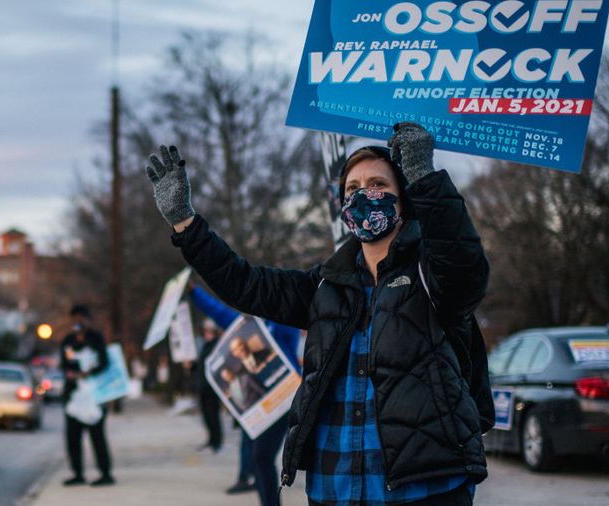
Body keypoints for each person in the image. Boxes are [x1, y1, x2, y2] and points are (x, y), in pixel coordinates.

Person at [145, 123, 494, 506]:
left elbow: (465, 266)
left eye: (379, 184)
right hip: (334, 488)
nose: (365, 194)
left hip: (423, 488)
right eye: (353, 188)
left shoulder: (433, 276)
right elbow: (245, 284)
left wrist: (424, 176)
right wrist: (185, 223)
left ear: (404, 199)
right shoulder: (325, 287)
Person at [189, 283, 302, 506]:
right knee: (259, 458)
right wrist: (194, 293)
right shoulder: (252, 326)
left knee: (262, 457)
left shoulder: (283, 324)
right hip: (257, 403)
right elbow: (220, 314)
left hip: (283, 399)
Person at [59, 304, 115, 487]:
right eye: (74, 319)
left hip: (94, 395)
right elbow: (63, 364)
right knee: (72, 438)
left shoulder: (96, 339)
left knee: (97, 436)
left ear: (88, 321)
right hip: (74, 397)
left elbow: (105, 362)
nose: (77, 323)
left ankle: (105, 472)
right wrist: (71, 373)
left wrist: (88, 372)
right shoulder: (67, 341)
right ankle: (77, 473)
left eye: (81, 319)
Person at [195, 318, 223, 453]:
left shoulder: (217, 345)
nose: (206, 333)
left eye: (208, 330)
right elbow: (200, 366)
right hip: (203, 387)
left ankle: (216, 443)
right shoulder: (205, 345)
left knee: (213, 417)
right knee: (206, 416)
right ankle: (211, 440)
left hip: (212, 389)